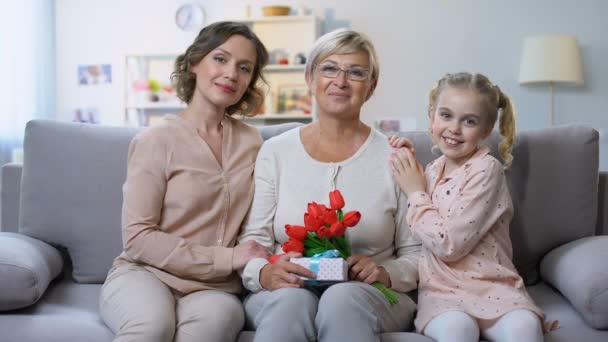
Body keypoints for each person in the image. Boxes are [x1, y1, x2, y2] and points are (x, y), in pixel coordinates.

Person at [238, 28, 421, 342]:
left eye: (356, 72)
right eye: (329, 68)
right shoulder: (276, 151)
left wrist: (386, 273)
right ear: (310, 78)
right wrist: (265, 273)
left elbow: (417, 254)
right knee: (291, 302)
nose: (341, 80)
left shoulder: (395, 157)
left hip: (371, 294)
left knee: (342, 300)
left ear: (372, 86)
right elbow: (254, 240)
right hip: (287, 292)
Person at [99, 21, 272, 342]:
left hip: (214, 289)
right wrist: (227, 258)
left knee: (211, 329)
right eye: (220, 59)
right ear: (194, 62)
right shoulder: (156, 140)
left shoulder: (254, 143)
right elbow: (137, 238)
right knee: (152, 328)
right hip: (146, 274)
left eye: (244, 67)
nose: (232, 73)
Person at [389, 72, 557, 342]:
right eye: (445, 115)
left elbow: (449, 244)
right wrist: (409, 163)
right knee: (458, 330)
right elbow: (422, 208)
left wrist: (416, 192)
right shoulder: (431, 170)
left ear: (486, 130)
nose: (454, 128)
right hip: (442, 292)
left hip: (494, 287)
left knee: (524, 328)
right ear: (432, 117)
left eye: (469, 121)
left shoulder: (486, 169)